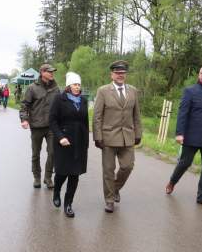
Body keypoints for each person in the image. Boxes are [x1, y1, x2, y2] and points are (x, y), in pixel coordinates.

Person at [165, 66, 202, 209]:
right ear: (199, 75)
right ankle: (172, 181)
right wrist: (179, 133)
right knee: (185, 163)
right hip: (192, 136)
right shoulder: (190, 91)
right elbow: (182, 113)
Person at [93, 60, 142, 213]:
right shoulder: (103, 91)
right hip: (108, 137)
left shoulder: (133, 90)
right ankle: (109, 200)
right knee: (108, 169)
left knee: (128, 166)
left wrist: (138, 133)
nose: (120, 75)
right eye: (117, 73)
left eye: (123, 73)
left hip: (127, 136)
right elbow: (97, 116)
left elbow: (136, 114)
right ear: (112, 74)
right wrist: (97, 136)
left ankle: (114, 188)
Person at [49, 72, 89, 218]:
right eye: (74, 84)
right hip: (64, 141)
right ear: (68, 86)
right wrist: (60, 137)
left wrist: (86, 143)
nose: (77, 87)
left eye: (78, 84)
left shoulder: (84, 101)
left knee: (75, 175)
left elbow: (85, 122)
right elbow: (52, 121)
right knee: (62, 173)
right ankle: (56, 191)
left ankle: (68, 204)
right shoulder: (59, 99)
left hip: (79, 142)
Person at [20, 63, 60, 189]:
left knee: (53, 152)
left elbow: (60, 106)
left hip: (51, 127)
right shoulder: (32, 88)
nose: (52, 73)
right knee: (36, 153)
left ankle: (48, 178)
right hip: (36, 126)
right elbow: (24, 105)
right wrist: (24, 119)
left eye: (53, 71)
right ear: (42, 72)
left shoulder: (56, 88)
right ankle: (37, 177)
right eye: (49, 71)